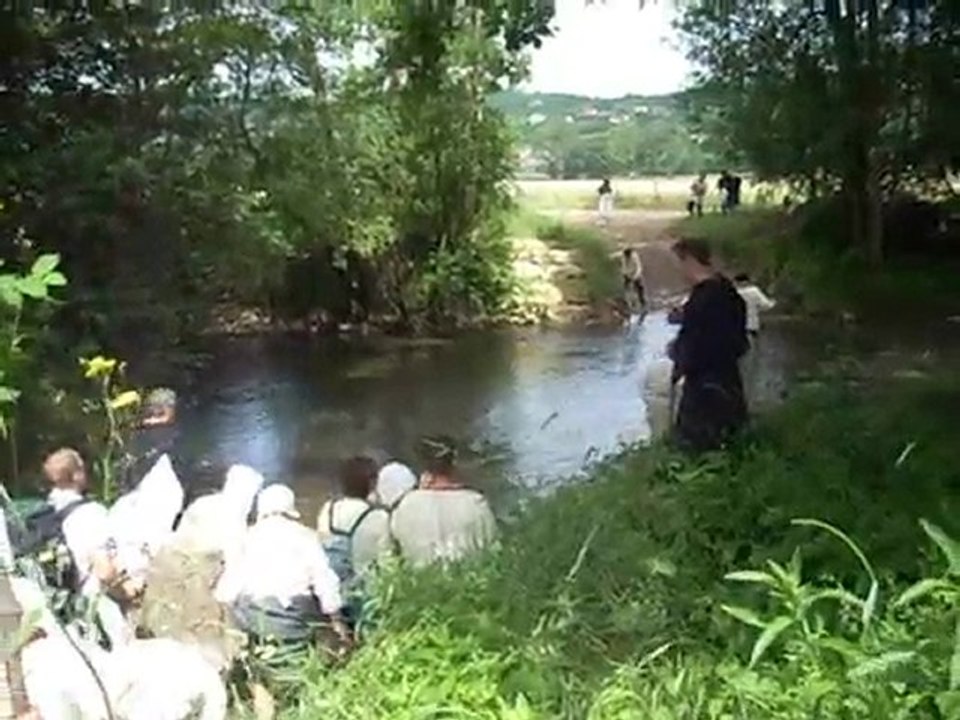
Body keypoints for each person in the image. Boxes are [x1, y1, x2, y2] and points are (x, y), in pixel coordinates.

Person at [216, 484, 351, 646]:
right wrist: (337, 620)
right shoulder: (304, 535)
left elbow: (226, 593)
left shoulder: (247, 538)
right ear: (290, 510)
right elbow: (324, 580)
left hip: (257, 620)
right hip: (295, 618)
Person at [36, 448, 134, 646]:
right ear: (77, 475)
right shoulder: (91, 514)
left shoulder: (41, 516)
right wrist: (127, 593)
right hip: (95, 616)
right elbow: (104, 572)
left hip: (57, 617)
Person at [668, 239, 749, 452]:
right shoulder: (729, 292)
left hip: (703, 387)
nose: (678, 271)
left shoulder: (701, 299)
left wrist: (676, 353)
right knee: (731, 441)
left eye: (679, 263)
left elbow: (693, 344)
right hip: (730, 380)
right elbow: (740, 341)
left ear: (689, 260)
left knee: (698, 445)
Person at [390, 438, 497, 568]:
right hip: (468, 577)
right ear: (454, 464)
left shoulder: (406, 505)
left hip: (422, 578)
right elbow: (491, 548)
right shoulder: (476, 503)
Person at [316, 456, 392, 584]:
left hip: (331, 585)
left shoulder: (328, 508)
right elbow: (386, 560)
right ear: (372, 484)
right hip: (363, 586)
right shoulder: (378, 517)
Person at [122, 387, 182, 495]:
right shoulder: (138, 452)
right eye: (149, 414)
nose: (151, 421)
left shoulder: (180, 450)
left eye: (160, 414)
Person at [734, 273, 776, 339]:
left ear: (736, 282)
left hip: (736, 327)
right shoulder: (754, 291)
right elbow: (766, 305)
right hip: (752, 325)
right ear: (747, 281)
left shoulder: (733, 293)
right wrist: (773, 302)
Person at [620, 247, 647, 313]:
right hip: (628, 273)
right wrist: (626, 274)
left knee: (640, 287)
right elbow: (623, 267)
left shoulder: (635, 257)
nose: (627, 257)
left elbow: (639, 267)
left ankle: (643, 302)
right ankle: (628, 302)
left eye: (628, 255)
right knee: (626, 288)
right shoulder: (623, 258)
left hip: (636, 273)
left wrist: (635, 276)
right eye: (626, 255)